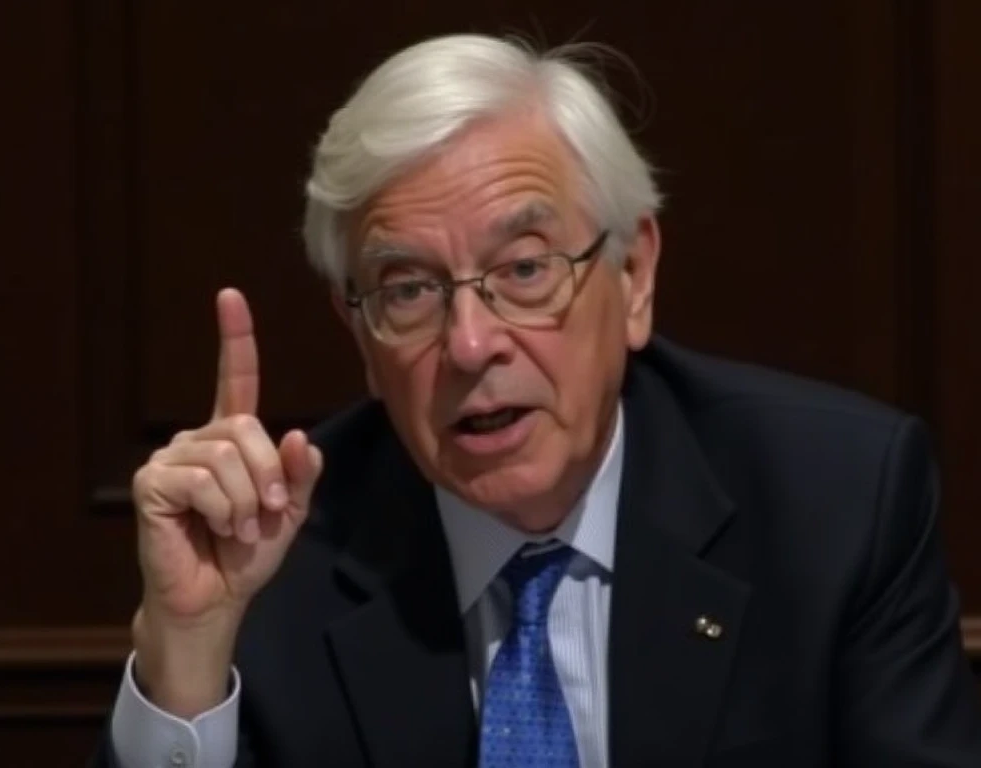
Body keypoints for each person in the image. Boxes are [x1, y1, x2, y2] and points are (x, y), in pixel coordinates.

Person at [92, 33, 981, 768]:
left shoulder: (835, 504)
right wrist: (189, 658)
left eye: (524, 271)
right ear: (359, 333)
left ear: (632, 277)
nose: (472, 344)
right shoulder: (273, 556)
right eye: (408, 290)